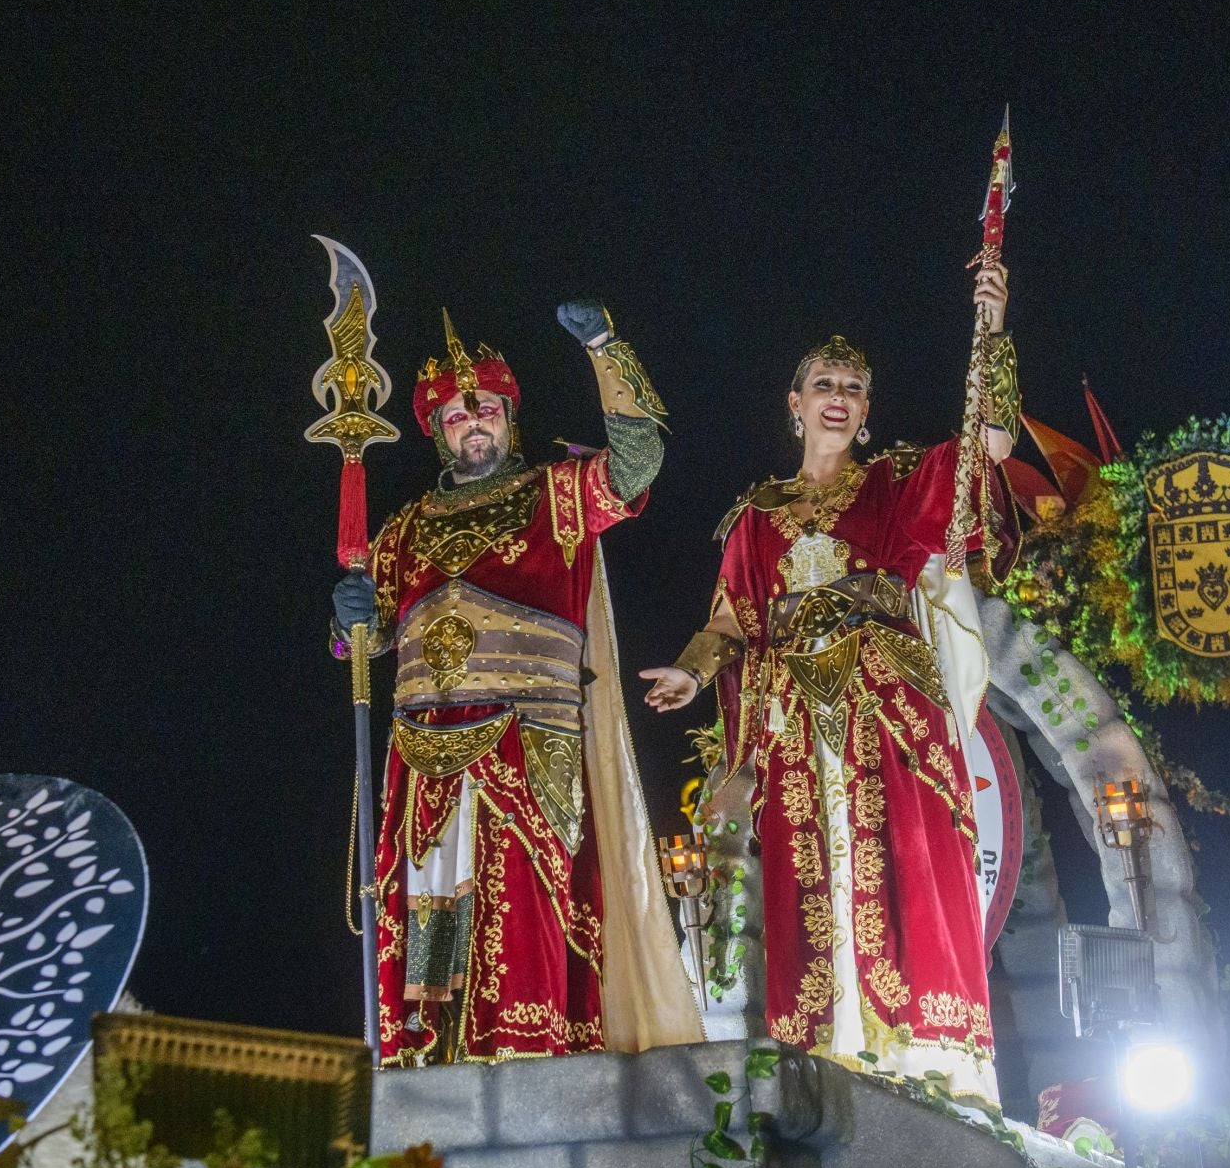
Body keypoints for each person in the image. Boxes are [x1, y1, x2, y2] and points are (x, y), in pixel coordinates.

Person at [641, 266, 1021, 1104]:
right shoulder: (755, 517)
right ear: (795, 402)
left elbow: (988, 448)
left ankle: (928, 1055)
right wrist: (691, 670)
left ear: (867, 409)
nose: (838, 397)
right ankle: (831, 1053)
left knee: (899, 864)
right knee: (812, 877)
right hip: (795, 718)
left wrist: (991, 330)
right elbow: (733, 621)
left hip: (882, 708)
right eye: (825, 385)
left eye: (853, 388)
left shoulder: (893, 486)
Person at [333, 301, 702, 1066]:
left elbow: (637, 465)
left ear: (509, 419)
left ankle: (531, 1060)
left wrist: (606, 346)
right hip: (422, 750)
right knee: (433, 908)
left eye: (489, 409)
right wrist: (346, 621)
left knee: (526, 905)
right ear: (438, 428)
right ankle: (432, 1063)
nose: (476, 422)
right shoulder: (399, 531)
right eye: (460, 414)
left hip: (525, 737)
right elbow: (360, 648)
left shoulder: (553, 496)